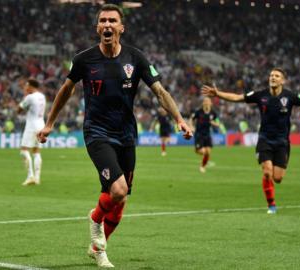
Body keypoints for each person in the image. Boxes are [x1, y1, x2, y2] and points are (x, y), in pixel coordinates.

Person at [37, 4, 193, 268]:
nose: (107, 25)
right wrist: (49, 123)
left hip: (126, 134)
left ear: (122, 27)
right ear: (97, 27)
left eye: (112, 21)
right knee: (118, 190)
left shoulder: (137, 58)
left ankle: (98, 248)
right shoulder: (84, 59)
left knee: (120, 201)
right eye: (102, 21)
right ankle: (95, 219)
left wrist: (179, 119)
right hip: (97, 132)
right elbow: (66, 90)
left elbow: (160, 92)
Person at [202, 68, 300, 214]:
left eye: (277, 76)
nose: (273, 77)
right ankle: (271, 205)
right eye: (271, 75)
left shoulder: (290, 96)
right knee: (267, 172)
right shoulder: (260, 95)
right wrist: (218, 94)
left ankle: (271, 187)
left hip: (282, 142)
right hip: (264, 139)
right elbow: (237, 98)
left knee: (278, 178)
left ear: (283, 80)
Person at [18, 78, 47, 185]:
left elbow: (19, 110)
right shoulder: (42, 96)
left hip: (31, 126)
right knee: (36, 151)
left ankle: (30, 176)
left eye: (26, 85)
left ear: (30, 86)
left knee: (24, 150)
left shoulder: (29, 97)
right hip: (41, 124)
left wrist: (25, 95)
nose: (25, 87)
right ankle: (37, 178)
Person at [191, 97, 219, 173]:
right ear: (203, 103)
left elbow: (218, 123)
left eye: (208, 101)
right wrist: (191, 127)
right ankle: (197, 150)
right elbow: (192, 119)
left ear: (211, 103)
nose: (206, 102)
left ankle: (202, 166)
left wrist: (214, 123)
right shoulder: (198, 112)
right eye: (205, 101)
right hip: (199, 134)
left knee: (208, 152)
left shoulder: (213, 113)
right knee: (202, 151)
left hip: (207, 134)